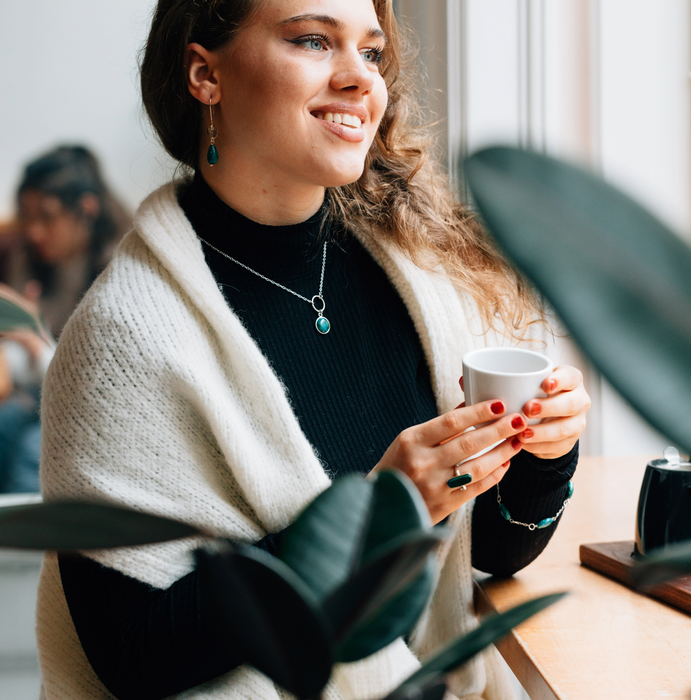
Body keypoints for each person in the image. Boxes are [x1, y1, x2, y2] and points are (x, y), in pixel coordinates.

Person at [36, 1, 590, 699]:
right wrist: (370, 518)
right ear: (205, 75)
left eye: (371, 51)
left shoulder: (412, 276)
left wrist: (544, 452)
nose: (360, 79)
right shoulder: (121, 338)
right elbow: (132, 659)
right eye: (312, 40)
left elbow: (495, 556)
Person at [0, 146, 128, 493]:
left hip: (91, 411)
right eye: (28, 217)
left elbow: (101, 390)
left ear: (87, 208)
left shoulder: (120, 274)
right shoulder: (25, 256)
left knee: (33, 447)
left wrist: (37, 344)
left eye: (48, 217)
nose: (35, 232)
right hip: (32, 395)